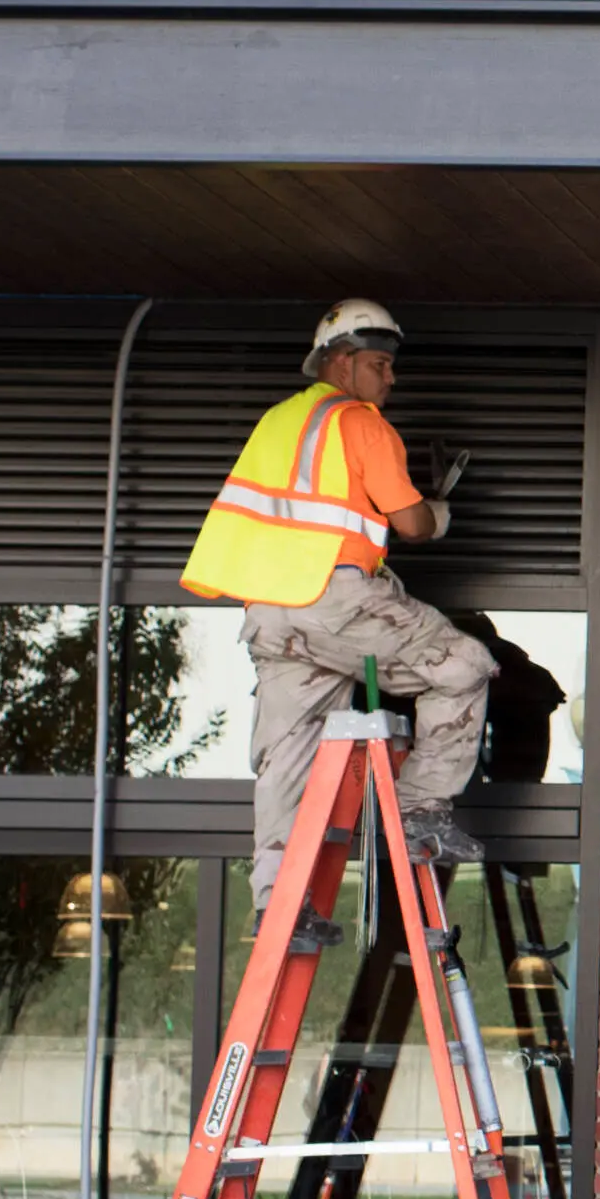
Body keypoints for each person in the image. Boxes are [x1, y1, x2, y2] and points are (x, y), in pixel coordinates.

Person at [182, 297, 491, 898]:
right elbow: (410, 523)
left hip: (269, 613)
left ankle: (277, 900)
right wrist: (440, 514)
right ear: (343, 364)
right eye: (381, 363)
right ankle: (420, 810)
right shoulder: (359, 422)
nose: (391, 376)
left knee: (287, 754)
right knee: (466, 666)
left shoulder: (276, 422)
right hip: (331, 598)